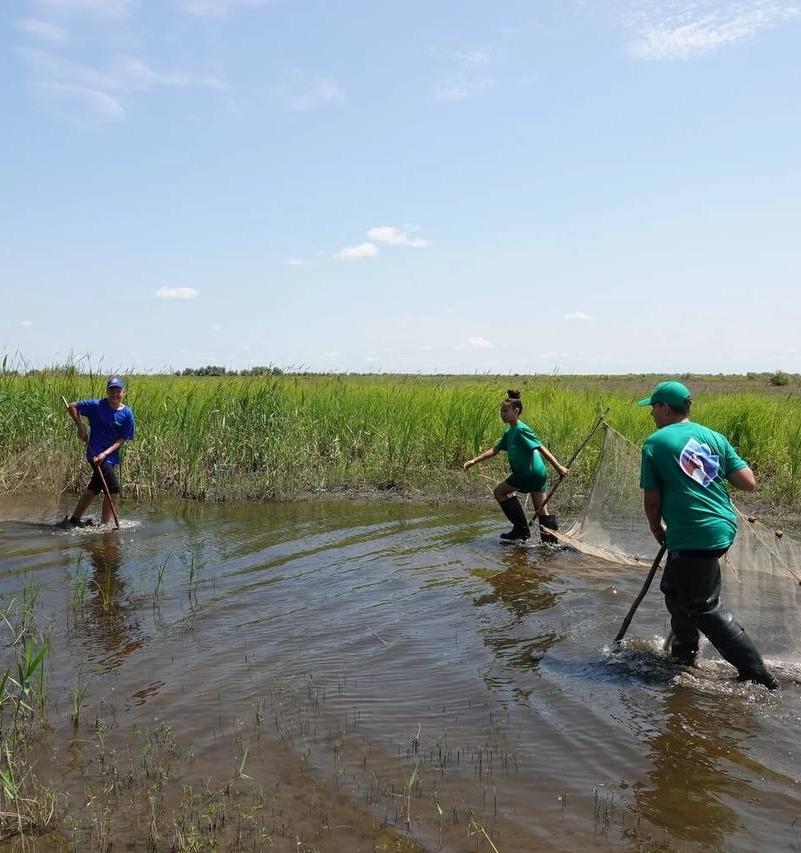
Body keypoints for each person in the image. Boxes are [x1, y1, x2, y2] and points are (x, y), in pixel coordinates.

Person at [638, 380, 778, 689]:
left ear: (664, 407)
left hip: (693, 532)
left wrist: (655, 528)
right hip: (721, 527)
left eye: (653, 407)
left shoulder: (656, 442)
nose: (651, 414)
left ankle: (758, 675)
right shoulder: (713, 437)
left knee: (703, 604)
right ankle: (684, 656)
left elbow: (652, 499)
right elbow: (748, 482)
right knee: (675, 590)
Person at [463, 390, 568, 543]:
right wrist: (474, 461)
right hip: (537, 473)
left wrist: (559, 467)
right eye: (501, 410)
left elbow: (540, 447)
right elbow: (495, 450)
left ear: (516, 411)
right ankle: (550, 544)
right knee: (541, 510)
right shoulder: (510, 432)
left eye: (506, 411)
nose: (502, 414)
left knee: (499, 492)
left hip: (528, 473)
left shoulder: (520, 429)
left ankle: (520, 530)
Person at [60, 377, 136, 528]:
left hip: (109, 456)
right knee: (113, 489)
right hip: (94, 454)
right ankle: (106, 526)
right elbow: (73, 407)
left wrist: (105, 454)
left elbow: (121, 439)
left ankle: (74, 520)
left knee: (93, 489)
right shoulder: (97, 405)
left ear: (124, 393)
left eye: (118, 391)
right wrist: (80, 427)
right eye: (111, 391)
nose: (115, 394)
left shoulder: (127, 413)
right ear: (107, 391)